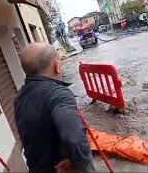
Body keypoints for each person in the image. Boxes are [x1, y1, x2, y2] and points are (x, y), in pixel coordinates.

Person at [14, 43, 96, 173]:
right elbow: (74, 139)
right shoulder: (59, 95)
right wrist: (83, 166)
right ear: (57, 66)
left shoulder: (19, 97)